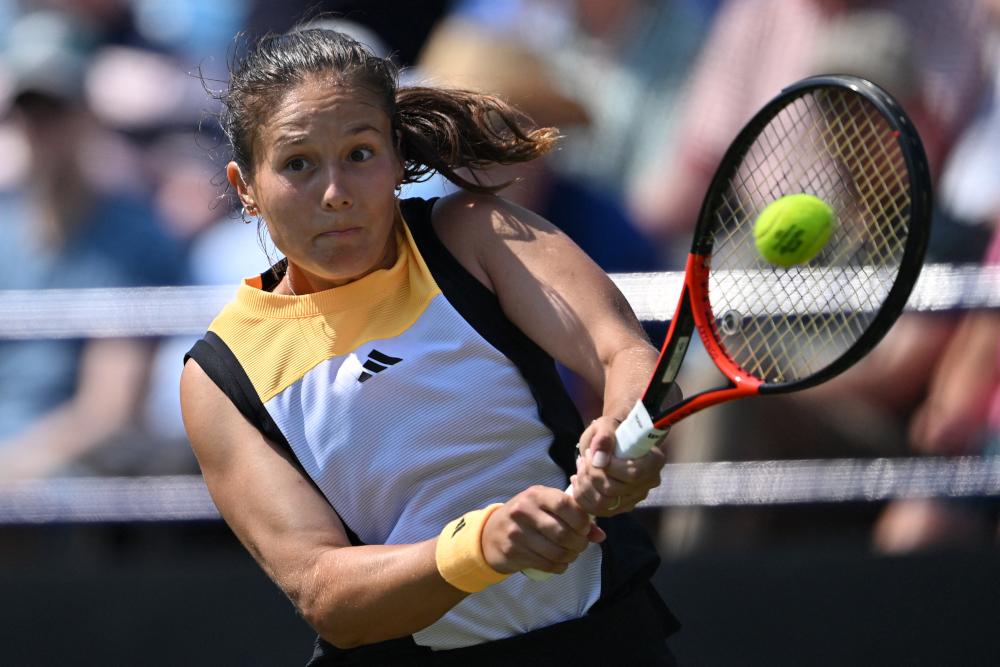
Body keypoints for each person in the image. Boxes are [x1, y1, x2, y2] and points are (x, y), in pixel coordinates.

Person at [180, 27, 680, 665]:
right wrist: (480, 547)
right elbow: (325, 594)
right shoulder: (222, 376)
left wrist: (626, 438)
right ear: (245, 186)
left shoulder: (477, 234)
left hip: (609, 641)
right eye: (298, 163)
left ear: (396, 157)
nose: (336, 192)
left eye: (360, 154)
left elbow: (625, 355)